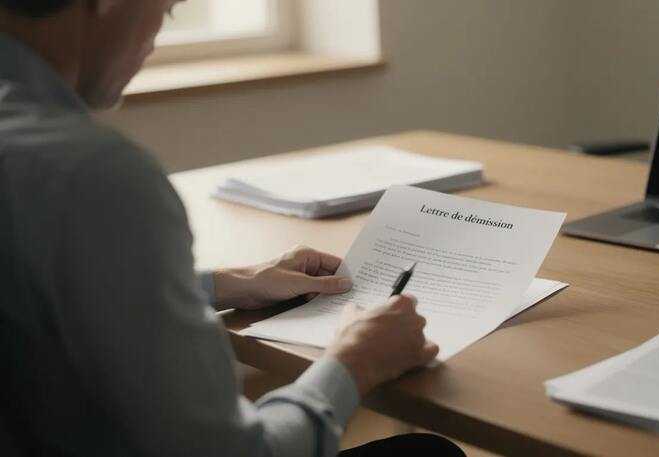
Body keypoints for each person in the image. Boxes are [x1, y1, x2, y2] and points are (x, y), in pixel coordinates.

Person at [0, 1, 466, 456]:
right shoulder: (94, 177)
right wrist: (353, 361)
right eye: (167, 6)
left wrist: (224, 284)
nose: (163, 24)